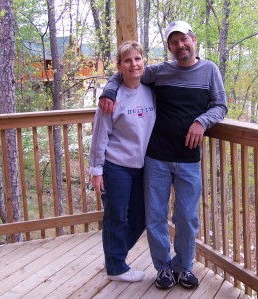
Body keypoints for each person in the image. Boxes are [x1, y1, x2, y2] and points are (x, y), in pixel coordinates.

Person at [99, 20, 228, 290]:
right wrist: (110, 89)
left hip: (189, 160)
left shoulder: (209, 70)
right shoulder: (161, 72)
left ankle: (183, 267)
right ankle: (163, 269)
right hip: (156, 158)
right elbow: (127, 72)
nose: (180, 45)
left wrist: (201, 122)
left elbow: (220, 105)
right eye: (174, 42)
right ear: (169, 47)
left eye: (184, 39)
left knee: (187, 217)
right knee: (155, 216)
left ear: (193, 40)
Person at [89, 41, 156, 282]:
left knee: (140, 217)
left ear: (143, 62)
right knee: (116, 215)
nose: (133, 64)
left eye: (137, 59)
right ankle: (116, 267)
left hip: (143, 166)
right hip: (115, 166)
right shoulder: (112, 97)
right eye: (127, 60)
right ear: (119, 66)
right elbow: (99, 135)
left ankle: (114, 256)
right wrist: (96, 170)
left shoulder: (150, 91)